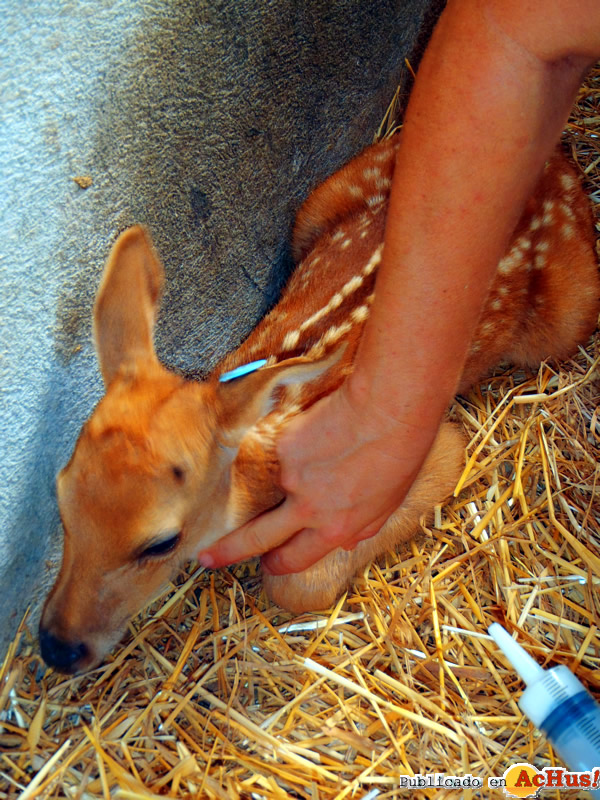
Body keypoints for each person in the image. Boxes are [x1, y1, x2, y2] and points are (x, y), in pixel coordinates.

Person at [197, 0, 600, 576]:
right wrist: (389, 415)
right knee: (320, 217)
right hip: (438, 189)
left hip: (527, 259)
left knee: (564, 316)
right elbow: (513, 31)